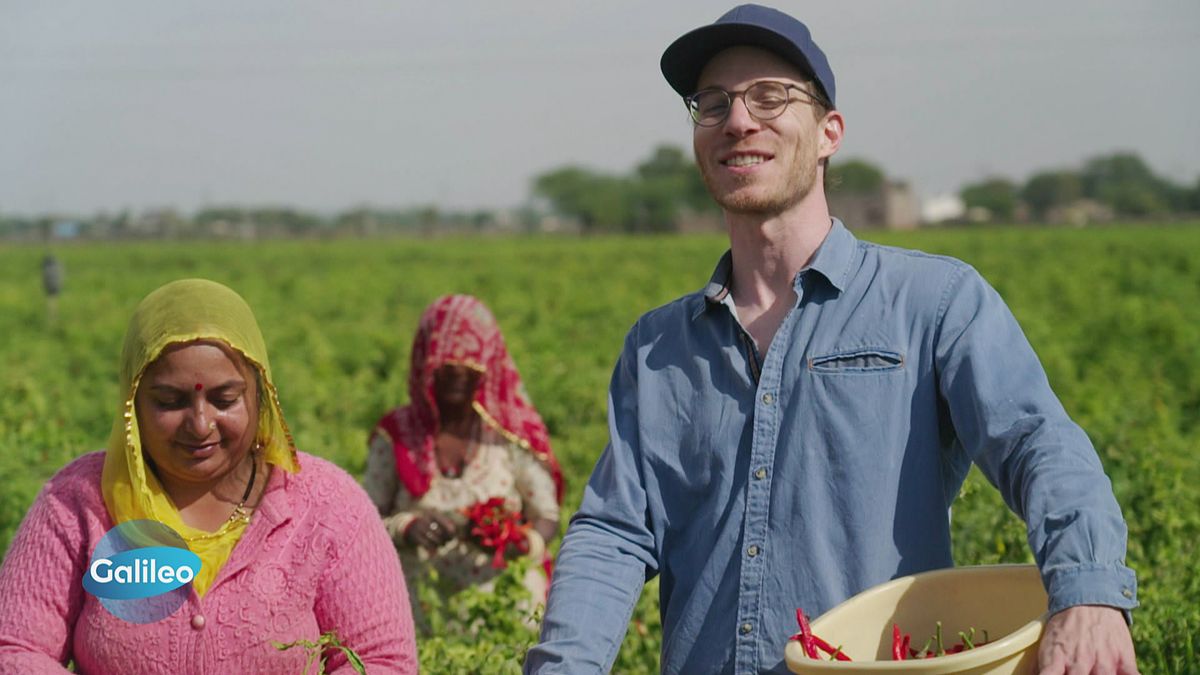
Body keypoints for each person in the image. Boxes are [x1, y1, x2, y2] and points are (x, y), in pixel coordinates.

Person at [526, 5, 1138, 674]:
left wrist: (1089, 592)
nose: (737, 120)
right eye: (713, 102)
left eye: (770, 97)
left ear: (829, 132)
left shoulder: (933, 303)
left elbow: (1036, 442)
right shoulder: (658, 347)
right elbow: (615, 531)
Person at [0, 279, 418, 674]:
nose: (200, 424)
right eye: (170, 401)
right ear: (132, 404)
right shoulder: (77, 501)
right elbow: (15, 648)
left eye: (224, 399)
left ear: (261, 395)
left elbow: (382, 660)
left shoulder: (328, 507)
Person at [364, 294, 563, 629]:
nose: (457, 369)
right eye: (445, 358)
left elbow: (547, 516)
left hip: (505, 604)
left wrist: (514, 541)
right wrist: (407, 528)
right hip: (418, 607)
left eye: (470, 358)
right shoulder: (396, 435)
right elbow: (364, 520)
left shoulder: (509, 435)